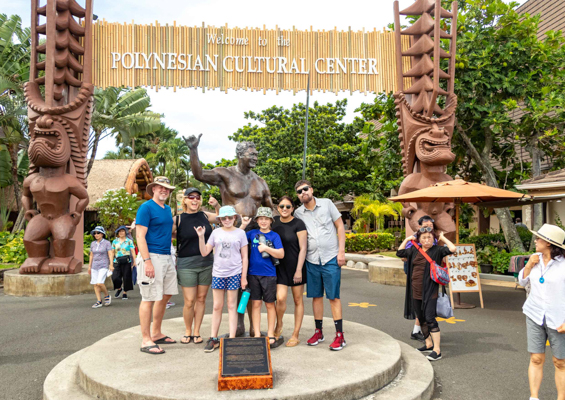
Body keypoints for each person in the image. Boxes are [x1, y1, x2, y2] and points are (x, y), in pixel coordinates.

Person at [293, 180, 347, 351]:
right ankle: (319, 332)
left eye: (305, 189)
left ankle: (340, 336)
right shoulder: (298, 213)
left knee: (333, 297)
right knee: (316, 297)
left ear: (311, 189)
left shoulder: (327, 204)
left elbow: (340, 227)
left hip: (331, 257)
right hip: (312, 260)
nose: (303, 193)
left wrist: (341, 252)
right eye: (299, 191)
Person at [518, 224, 565, 400]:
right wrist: (529, 265)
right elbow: (522, 282)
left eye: (539, 238)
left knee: (560, 362)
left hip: (559, 318)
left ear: (550, 243)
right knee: (536, 358)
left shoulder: (563, 265)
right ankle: (534, 397)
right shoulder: (534, 259)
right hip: (534, 314)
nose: (535, 241)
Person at [195, 205, 249, 353]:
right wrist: (200, 237)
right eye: (224, 218)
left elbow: (245, 257)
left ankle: (231, 339)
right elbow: (205, 251)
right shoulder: (215, 232)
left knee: (232, 306)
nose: (227, 220)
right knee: (217, 306)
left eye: (229, 217)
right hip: (218, 273)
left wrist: (243, 277)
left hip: (234, 273)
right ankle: (213, 338)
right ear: (220, 220)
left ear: (234, 218)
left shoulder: (240, 233)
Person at [397, 229, 456, 361]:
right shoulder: (414, 250)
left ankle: (437, 350)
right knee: (421, 317)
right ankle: (428, 343)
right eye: (423, 238)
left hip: (430, 290)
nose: (426, 240)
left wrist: (442, 237)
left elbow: (452, 249)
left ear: (433, 239)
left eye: (429, 237)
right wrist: (407, 240)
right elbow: (400, 253)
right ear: (419, 239)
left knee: (430, 318)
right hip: (415, 289)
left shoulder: (437, 250)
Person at [136, 176, 179, 355]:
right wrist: (147, 261)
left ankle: (156, 332)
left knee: (165, 294)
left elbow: (167, 231)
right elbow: (140, 236)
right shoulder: (146, 208)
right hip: (151, 256)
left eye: (167, 189)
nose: (164, 191)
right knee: (149, 297)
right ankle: (146, 340)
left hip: (167, 255)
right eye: (160, 188)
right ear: (153, 189)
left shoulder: (167, 209)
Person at [172, 187, 220, 344]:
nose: (194, 200)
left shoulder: (205, 215)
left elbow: (223, 218)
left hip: (206, 262)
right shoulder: (177, 219)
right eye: (191, 197)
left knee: (201, 298)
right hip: (186, 263)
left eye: (198, 197)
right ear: (185, 200)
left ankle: (197, 331)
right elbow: (164, 232)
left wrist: (216, 205)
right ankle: (188, 330)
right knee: (189, 300)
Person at [245, 207, 284, 347]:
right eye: (260, 219)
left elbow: (281, 254)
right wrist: (243, 224)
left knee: (269, 304)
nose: (263, 221)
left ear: (270, 221)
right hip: (253, 274)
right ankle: (256, 333)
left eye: (266, 219)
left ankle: (270, 333)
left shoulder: (274, 236)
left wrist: (266, 249)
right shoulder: (251, 234)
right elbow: (238, 238)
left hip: (269, 275)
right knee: (255, 304)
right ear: (257, 220)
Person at [272, 196, 307, 347]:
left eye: (288, 206)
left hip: (296, 267)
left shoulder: (298, 223)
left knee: (298, 300)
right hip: (279, 267)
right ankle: (278, 326)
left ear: (292, 208)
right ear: (278, 208)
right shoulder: (273, 222)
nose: (284, 209)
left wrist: (299, 269)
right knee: (280, 299)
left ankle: (295, 334)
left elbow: (303, 248)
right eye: (281, 206)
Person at [403, 215, 438, 342]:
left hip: (430, 277)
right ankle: (421, 332)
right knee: (421, 304)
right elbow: (403, 256)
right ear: (419, 227)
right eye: (425, 226)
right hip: (417, 276)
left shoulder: (434, 238)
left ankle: (419, 331)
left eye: (431, 226)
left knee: (425, 305)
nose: (428, 229)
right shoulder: (414, 238)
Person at [88, 226, 113, 308]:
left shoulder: (107, 243)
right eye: (94, 233)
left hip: (103, 265)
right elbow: (91, 255)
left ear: (102, 234)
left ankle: (107, 295)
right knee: (95, 284)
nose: (96, 234)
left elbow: (110, 254)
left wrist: (111, 264)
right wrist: (89, 266)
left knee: (100, 283)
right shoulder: (93, 243)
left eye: (98, 233)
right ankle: (99, 301)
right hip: (94, 266)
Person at [111, 225, 136, 300]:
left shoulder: (129, 241)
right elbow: (112, 252)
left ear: (125, 232)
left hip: (127, 261)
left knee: (126, 277)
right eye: (120, 231)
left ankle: (125, 292)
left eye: (123, 231)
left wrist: (135, 261)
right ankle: (119, 288)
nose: (121, 233)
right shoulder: (115, 241)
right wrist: (111, 263)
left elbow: (133, 251)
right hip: (117, 261)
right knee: (115, 277)